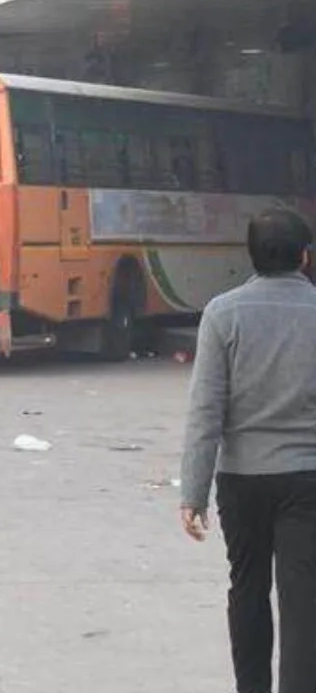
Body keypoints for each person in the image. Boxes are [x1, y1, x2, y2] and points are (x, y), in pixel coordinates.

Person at [180, 209, 316, 693]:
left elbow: (206, 409)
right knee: (303, 602)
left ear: (252, 256)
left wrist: (192, 493)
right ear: (305, 257)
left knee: (248, 588)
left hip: (240, 482)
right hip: (307, 480)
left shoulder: (223, 313)